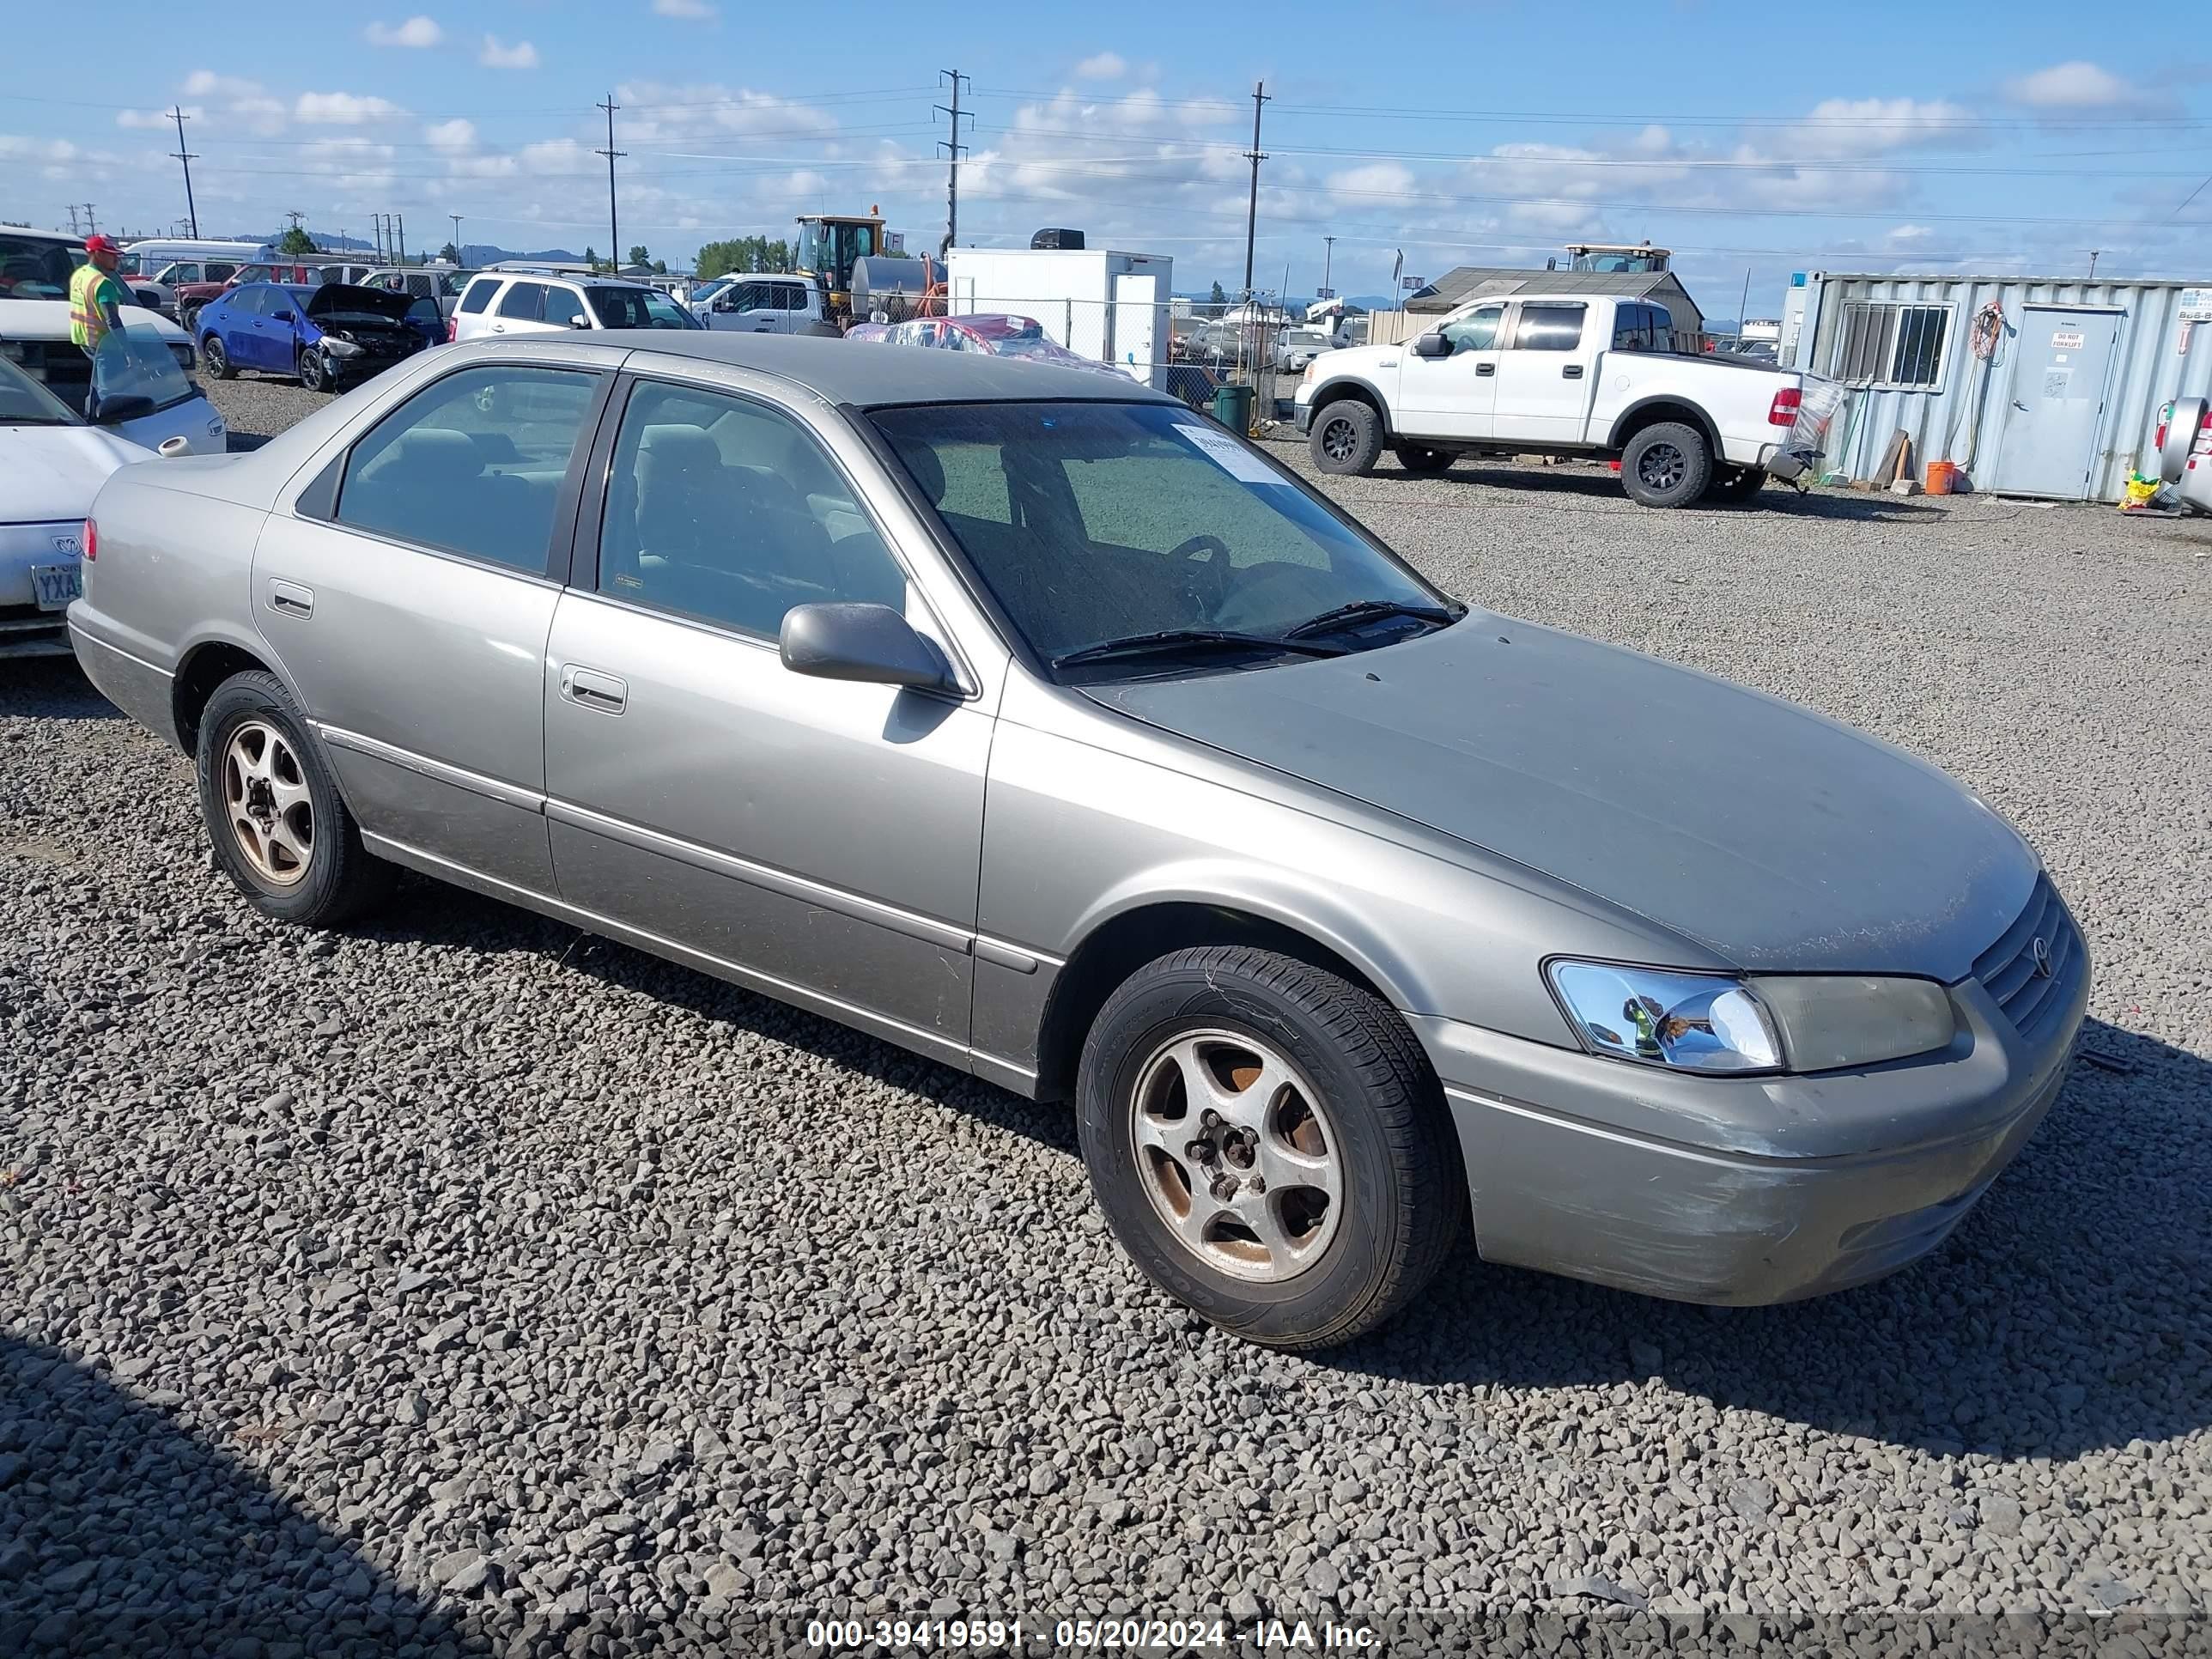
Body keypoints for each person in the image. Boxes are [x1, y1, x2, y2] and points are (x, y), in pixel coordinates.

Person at [68, 234, 132, 418]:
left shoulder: (79, 275)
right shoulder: (103, 284)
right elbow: (112, 320)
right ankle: (107, 424)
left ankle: (91, 416)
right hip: (102, 343)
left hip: (83, 339)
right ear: (97, 254)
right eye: (111, 254)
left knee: (96, 386)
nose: (117, 258)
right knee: (109, 391)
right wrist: (128, 351)